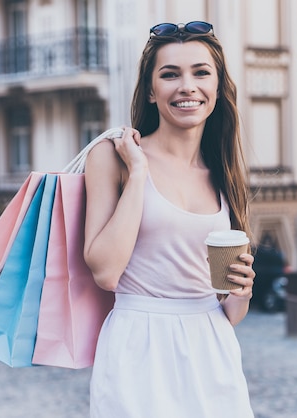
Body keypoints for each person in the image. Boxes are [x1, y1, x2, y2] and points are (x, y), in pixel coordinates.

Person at [83, 21, 256, 418]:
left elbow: (227, 313)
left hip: (212, 351)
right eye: (170, 74)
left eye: (200, 72)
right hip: (138, 348)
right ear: (150, 89)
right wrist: (139, 172)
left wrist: (241, 292)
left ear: (217, 85)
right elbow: (106, 272)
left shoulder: (223, 170)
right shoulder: (113, 156)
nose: (187, 86)